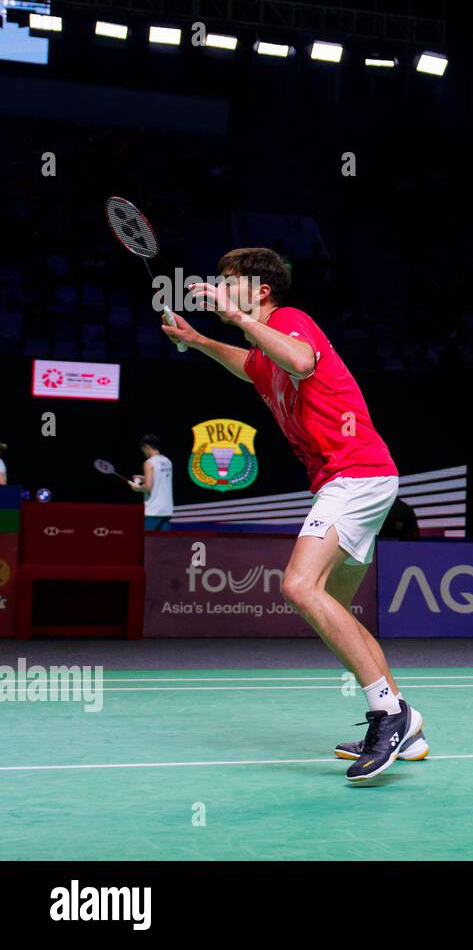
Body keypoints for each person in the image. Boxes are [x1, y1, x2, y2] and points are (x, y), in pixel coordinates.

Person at [162, 247, 424, 782]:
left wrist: (233, 318)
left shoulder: (289, 322)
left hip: (356, 472)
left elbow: (301, 361)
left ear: (259, 290)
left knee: (300, 587)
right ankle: (406, 716)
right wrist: (199, 341)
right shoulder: (265, 350)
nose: (218, 285)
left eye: (227, 280)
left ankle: (387, 715)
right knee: (331, 605)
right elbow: (250, 368)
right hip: (350, 478)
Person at [128, 434, 174, 530]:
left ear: (146, 447)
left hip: (154, 511)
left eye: (143, 450)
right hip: (167, 510)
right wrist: (144, 478)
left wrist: (137, 488)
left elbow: (148, 486)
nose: (144, 453)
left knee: (146, 542)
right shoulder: (168, 461)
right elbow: (161, 479)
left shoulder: (149, 463)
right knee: (164, 543)